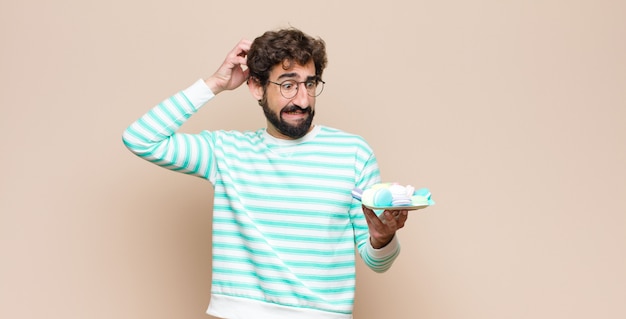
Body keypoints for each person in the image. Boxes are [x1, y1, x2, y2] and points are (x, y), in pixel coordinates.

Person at [122, 27, 409, 319]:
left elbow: (378, 263)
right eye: (287, 85)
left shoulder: (353, 153)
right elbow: (141, 138)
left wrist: (382, 238)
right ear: (257, 87)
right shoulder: (225, 152)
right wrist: (215, 83)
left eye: (309, 84)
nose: (302, 99)